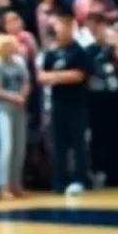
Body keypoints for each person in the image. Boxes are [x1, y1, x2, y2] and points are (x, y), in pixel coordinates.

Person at [40, 14, 91, 195]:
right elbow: (41, 77)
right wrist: (62, 76)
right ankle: (60, 181)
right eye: (57, 27)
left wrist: (55, 77)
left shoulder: (79, 51)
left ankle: (80, 178)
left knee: (78, 143)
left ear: (71, 28)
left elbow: (78, 76)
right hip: (57, 104)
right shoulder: (51, 53)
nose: (59, 30)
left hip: (77, 104)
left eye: (63, 26)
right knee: (58, 144)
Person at [83, 14, 118, 188]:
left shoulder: (114, 47)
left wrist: (116, 41)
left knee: (117, 135)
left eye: (97, 25)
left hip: (115, 96)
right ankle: (98, 170)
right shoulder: (88, 50)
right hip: (96, 97)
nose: (94, 30)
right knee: (98, 136)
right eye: (90, 26)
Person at [0, 34, 30, 199]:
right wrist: (13, 97)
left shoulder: (19, 62)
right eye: (11, 44)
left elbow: (26, 82)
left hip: (19, 108)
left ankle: (16, 184)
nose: (15, 46)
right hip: (2, 108)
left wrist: (23, 96)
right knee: (7, 145)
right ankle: (3, 185)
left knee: (19, 147)